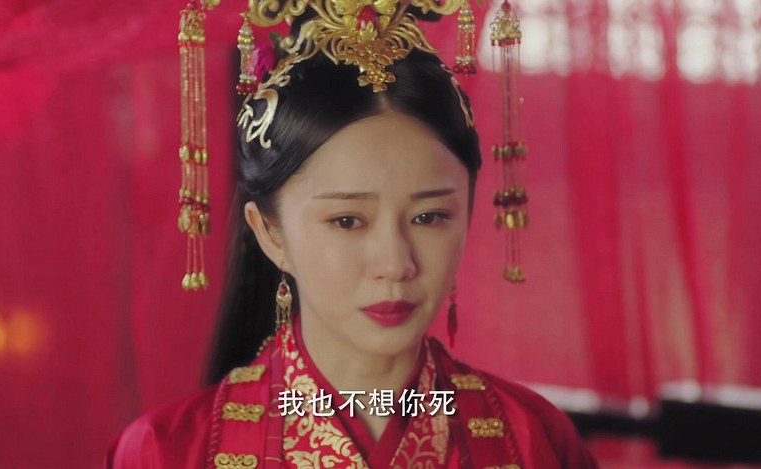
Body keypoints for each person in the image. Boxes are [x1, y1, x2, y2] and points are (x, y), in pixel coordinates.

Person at [106, 1, 598, 467]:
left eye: (429, 217)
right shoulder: (165, 453)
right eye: (347, 221)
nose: (395, 264)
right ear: (270, 233)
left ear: (467, 215)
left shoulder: (534, 440)